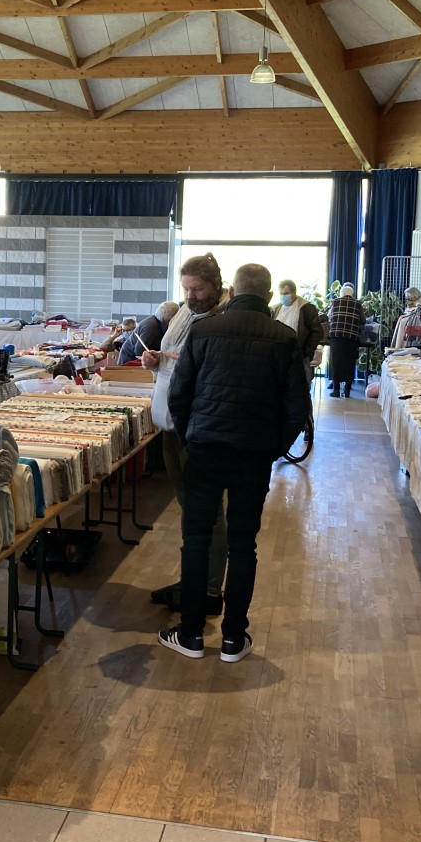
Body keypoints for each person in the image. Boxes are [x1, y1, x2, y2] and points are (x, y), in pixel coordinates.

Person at [159, 263, 310, 663]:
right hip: (253, 455)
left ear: (232, 291)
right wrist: (273, 448)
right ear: (269, 296)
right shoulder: (284, 338)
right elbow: (297, 407)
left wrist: (191, 435)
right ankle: (233, 638)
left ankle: (190, 634)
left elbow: (179, 393)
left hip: (204, 450)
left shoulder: (204, 331)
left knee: (196, 540)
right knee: (243, 544)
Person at [141, 254, 228, 615]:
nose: (191, 296)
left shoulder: (220, 321)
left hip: (197, 428)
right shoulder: (184, 314)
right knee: (191, 509)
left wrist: (180, 365)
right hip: (172, 424)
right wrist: (155, 361)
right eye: (187, 288)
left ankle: (208, 591)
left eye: (199, 289)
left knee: (206, 511)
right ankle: (193, 580)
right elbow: (171, 361)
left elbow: (214, 375)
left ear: (215, 287)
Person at [272, 280, 324, 382]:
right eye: (281, 293)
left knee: (301, 385)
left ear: (294, 292)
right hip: (279, 356)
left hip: (299, 356)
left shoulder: (307, 308)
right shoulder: (276, 309)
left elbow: (317, 332)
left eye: (286, 293)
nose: (283, 296)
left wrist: (306, 352)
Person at [327, 283, 365, 398]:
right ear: (352, 293)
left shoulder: (335, 302)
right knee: (349, 363)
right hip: (352, 338)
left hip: (336, 337)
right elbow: (363, 321)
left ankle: (336, 391)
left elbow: (329, 317)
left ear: (341, 293)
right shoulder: (358, 304)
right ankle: (347, 391)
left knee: (336, 363)